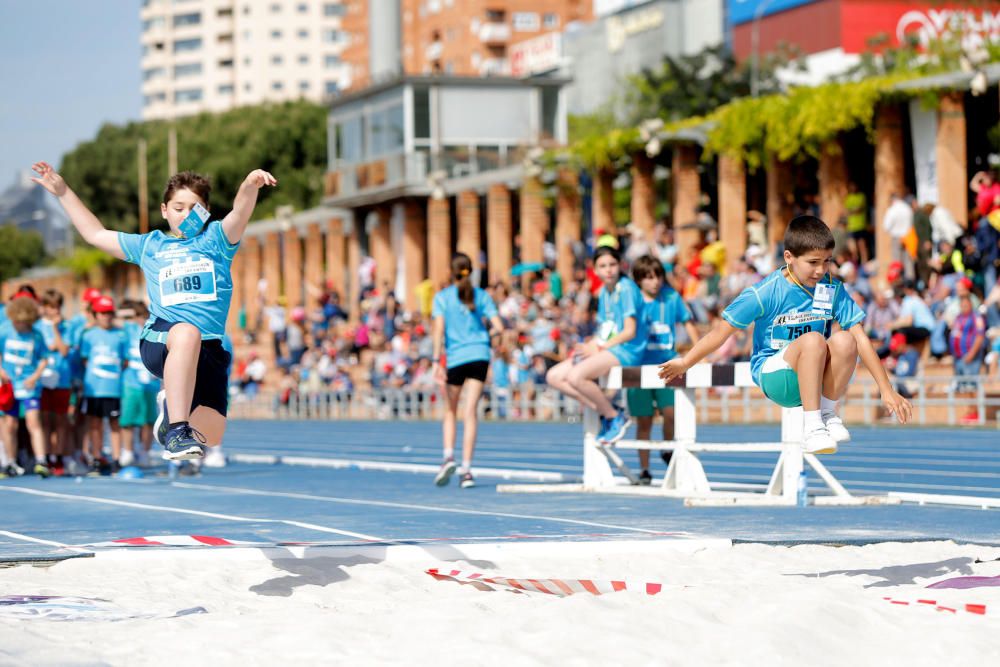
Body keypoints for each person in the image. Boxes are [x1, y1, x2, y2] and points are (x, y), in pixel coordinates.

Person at [32, 161, 276, 461]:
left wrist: (249, 186)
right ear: (164, 210)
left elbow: (239, 212)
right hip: (162, 340)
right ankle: (176, 427)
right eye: (178, 207)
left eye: (194, 207)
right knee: (187, 332)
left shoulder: (217, 240)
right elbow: (95, 234)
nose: (185, 214)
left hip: (209, 348)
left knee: (210, 435)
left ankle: (171, 412)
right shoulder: (151, 245)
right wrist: (63, 191)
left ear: (206, 210)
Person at [659, 215, 912, 454]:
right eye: (813, 263)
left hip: (815, 375)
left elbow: (861, 338)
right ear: (789, 257)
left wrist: (886, 389)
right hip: (775, 375)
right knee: (813, 340)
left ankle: (827, 413)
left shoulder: (830, 288)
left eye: (827, 261)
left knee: (846, 339)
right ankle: (812, 426)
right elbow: (721, 333)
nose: (820, 270)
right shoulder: (765, 292)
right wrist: (686, 362)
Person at [546, 246, 648, 444]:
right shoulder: (603, 293)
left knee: (576, 376)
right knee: (554, 376)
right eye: (603, 266)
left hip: (627, 350)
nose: (608, 270)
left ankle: (613, 416)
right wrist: (588, 346)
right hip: (608, 347)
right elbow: (605, 329)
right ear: (595, 270)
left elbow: (629, 331)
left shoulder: (626, 289)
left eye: (612, 264)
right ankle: (605, 406)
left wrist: (599, 348)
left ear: (620, 266)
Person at [430, 254, 503, 489]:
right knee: (470, 412)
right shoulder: (482, 296)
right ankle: (467, 471)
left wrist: (435, 360)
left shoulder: (442, 298)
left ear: (451, 273)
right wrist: (487, 338)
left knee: (451, 410)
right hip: (479, 355)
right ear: (471, 272)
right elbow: (499, 327)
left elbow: (438, 332)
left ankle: (448, 456)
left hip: (456, 358)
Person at [626, 256, 698, 485]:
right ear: (639, 280)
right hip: (638, 367)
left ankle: (667, 449)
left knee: (671, 414)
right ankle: (645, 469)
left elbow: (688, 323)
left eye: (657, 276)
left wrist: (698, 352)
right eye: (648, 278)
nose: (654, 282)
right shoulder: (633, 300)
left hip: (667, 365)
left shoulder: (671, 297)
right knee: (644, 422)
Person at [0, 297, 51, 477]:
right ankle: (10, 462)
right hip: (9, 385)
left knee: (33, 421)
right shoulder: (5, 330)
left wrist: (35, 377)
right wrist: (1, 371)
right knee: (10, 424)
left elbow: (44, 358)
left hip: (29, 385)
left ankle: (41, 461)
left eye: (23, 322)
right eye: (17, 321)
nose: (19, 325)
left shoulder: (36, 335)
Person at [79, 295, 126, 471]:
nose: (106, 317)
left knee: (114, 424)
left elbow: (124, 360)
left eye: (109, 313)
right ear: (95, 314)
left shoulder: (121, 335)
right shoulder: (89, 335)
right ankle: (97, 457)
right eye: (102, 313)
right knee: (95, 424)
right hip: (94, 389)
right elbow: (84, 359)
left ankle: (116, 458)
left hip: (113, 388)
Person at [37, 289, 75, 474]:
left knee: (61, 420)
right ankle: (45, 457)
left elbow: (64, 350)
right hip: (42, 379)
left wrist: (55, 329)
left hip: (63, 379)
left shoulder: (66, 326)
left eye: (58, 306)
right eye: (51, 307)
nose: (55, 310)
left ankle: (59, 458)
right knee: (44, 421)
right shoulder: (36, 326)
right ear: (44, 307)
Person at [120, 300, 160, 467]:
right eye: (139, 316)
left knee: (148, 421)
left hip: (151, 383)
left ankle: (145, 452)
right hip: (131, 382)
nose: (142, 320)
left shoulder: (155, 330)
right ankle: (128, 451)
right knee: (128, 420)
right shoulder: (127, 330)